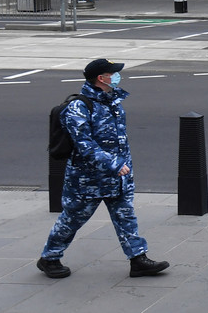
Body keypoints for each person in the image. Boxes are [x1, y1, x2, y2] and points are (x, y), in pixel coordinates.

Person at [36, 59, 170, 280]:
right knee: (72, 220)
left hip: (118, 177)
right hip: (88, 180)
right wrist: (114, 164)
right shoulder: (78, 107)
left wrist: (123, 167)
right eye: (113, 74)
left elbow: (119, 140)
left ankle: (138, 260)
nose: (118, 77)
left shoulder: (113, 101)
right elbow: (84, 145)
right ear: (101, 78)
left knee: (126, 217)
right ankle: (49, 258)